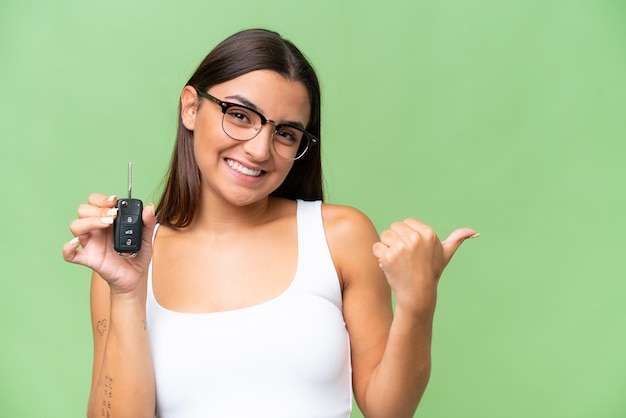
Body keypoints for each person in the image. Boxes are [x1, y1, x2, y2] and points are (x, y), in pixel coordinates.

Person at [63, 28, 478, 418]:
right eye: (241, 115)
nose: (260, 150)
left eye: (285, 134)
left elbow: (390, 409)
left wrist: (418, 303)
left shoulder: (340, 236)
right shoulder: (124, 262)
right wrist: (128, 292)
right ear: (191, 107)